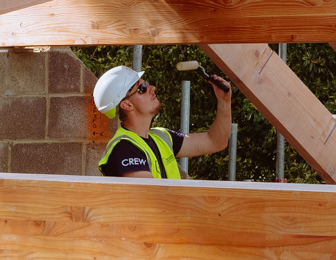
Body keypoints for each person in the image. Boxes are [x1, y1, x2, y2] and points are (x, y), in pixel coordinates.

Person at [93, 64, 232, 178]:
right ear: (127, 105)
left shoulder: (162, 137)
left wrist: (224, 101)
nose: (152, 88)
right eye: (142, 88)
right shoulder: (124, 149)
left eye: (146, 83)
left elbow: (216, 142)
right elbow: (153, 197)